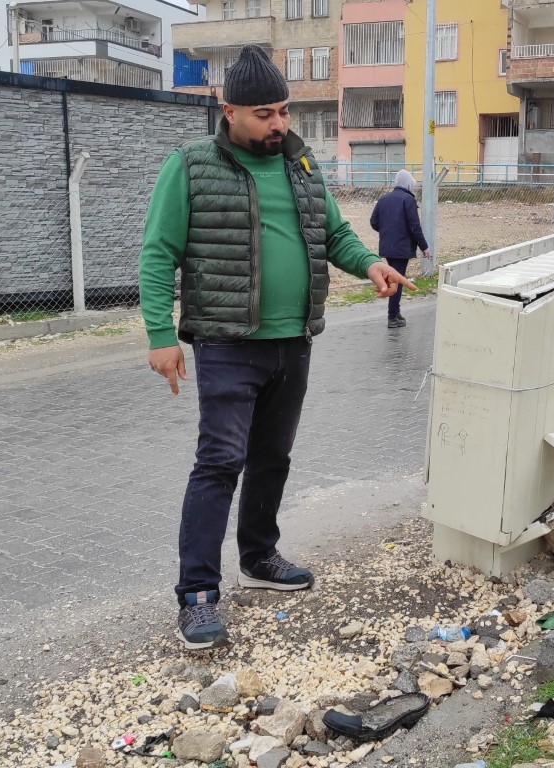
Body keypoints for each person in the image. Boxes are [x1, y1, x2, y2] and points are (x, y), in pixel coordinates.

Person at [138, 44, 415, 650]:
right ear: (229, 109)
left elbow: (334, 233)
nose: (279, 124)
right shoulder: (189, 166)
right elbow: (158, 253)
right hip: (227, 343)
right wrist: (161, 335)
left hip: (294, 342)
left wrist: (369, 264)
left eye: (284, 111)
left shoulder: (302, 164)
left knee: (273, 458)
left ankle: (258, 558)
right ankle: (197, 595)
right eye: (265, 113)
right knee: (219, 463)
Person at [369, 169, 429, 328]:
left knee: (393, 278)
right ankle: (393, 316)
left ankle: (395, 313)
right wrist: (424, 247)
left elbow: (373, 221)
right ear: (408, 183)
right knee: (397, 280)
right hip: (402, 248)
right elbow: (414, 227)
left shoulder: (384, 199)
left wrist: (388, 232)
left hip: (387, 247)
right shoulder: (408, 200)